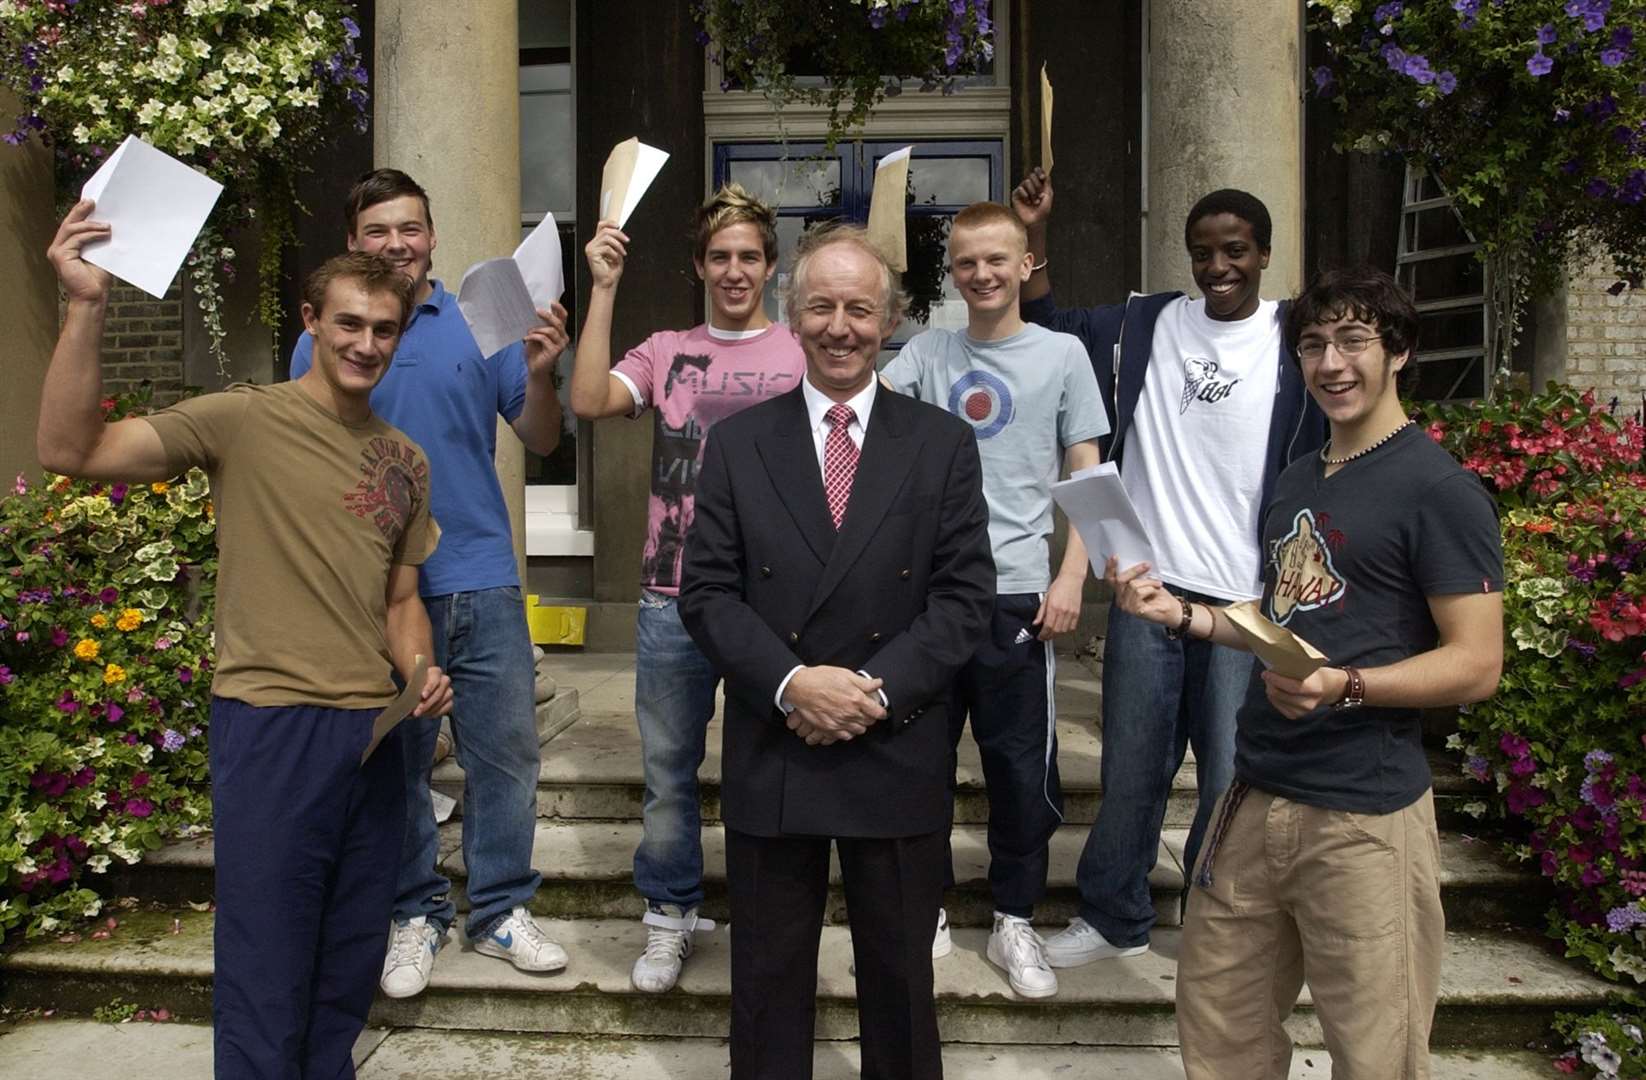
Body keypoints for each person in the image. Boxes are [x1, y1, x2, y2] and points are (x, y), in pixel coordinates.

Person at [37, 201, 454, 1079]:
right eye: (348, 322)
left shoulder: (406, 460)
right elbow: (70, 448)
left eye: (385, 328)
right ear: (311, 320)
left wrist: (422, 671)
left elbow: (401, 599)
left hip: (374, 739)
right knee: (267, 973)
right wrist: (85, 307)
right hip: (271, 726)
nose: (366, 343)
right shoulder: (243, 417)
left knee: (345, 971)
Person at [1107, 267, 1504, 1078]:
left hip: (1364, 815)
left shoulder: (1440, 490)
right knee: (1220, 1031)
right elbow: (1279, 623)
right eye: (1314, 344)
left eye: (1354, 341)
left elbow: (1476, 663)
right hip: (1254, 795)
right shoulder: (1297, 477)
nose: (1330, 363)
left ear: (1400, 352)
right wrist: (1178, 615)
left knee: (1376, 1052)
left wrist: (1348, 685)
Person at [678, 224, 994, 1080]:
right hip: (777, 743)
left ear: (891, 318)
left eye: (861, 307)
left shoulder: (940, 443)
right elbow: (706, 594)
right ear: (793, 315)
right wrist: (791, 684)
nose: (841, 326)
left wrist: (869, 691)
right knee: (769, 983)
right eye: (821, 306)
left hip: (893, 741)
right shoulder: (740, 442)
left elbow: (964, 599)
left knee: (899, 981)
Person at [1010, 168, 1326, 966]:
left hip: (1246, 604)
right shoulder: (1147, 324)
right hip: (1147, 588)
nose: (1218, 267)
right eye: (1203, 253)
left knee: (1229, 772)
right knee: (1133, 766)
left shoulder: (1295, 337)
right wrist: (1037, 235)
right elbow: (1047, 321)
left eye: (1235, 251)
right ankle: (1115, 917)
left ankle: (1222, 922)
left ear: (1263, 253)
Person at [289, 169, 571, 998]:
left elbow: (544, 438)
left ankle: (500, 910)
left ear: (432, 236)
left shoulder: (484, 321)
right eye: (378, 231)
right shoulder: (329, 336)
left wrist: (544, 370)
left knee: (506, 754)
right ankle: (414, 910)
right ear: (353, 241)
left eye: (410, 228)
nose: (396, 244)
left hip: (479, 576)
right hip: (369, 591)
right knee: (399, 761)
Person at [569, 184, 806, 993]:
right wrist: (602, 286)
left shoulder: (801, 352)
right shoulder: (668, 349)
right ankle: (669, 916)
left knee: (765, 765)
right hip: (671, 593)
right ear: (700, 266)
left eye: (748, 256)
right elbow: (589, 399)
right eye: (719, 257)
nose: (734, 270)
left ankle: (764, 917)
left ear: (771, 267)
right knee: (670, 771)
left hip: (771, 598)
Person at [881, 201, 1107, 1000]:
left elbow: (1088, 476)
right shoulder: (928, 352)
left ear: (1024, 266)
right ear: (954, 272)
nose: (981, 274)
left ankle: (1016, 916)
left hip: (1019, 599)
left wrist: (1073, 575)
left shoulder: (1064, 354)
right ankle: (927, 907)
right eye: (967, 262)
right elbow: (859, 411)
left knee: (1020, 771)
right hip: (933, 601)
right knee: (921, 767)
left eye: (996, 260)